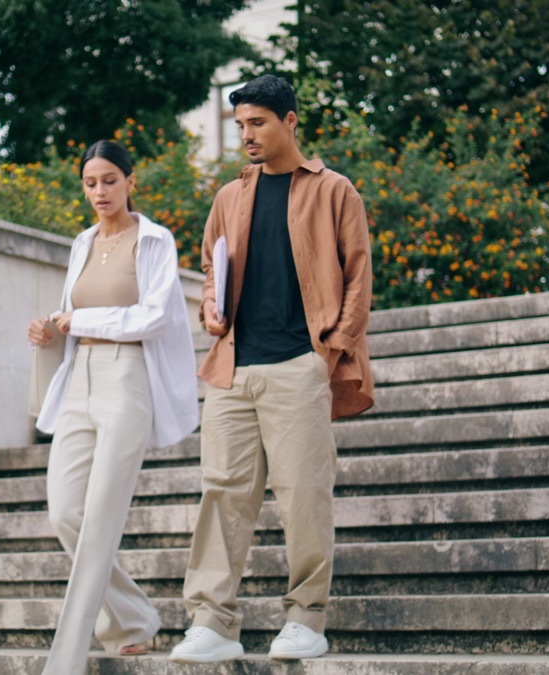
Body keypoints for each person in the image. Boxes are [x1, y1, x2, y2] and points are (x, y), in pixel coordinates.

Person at [171, 74, 375, 664]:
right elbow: (212, 268)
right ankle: (213, 622)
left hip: (299, 362)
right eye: (239, 126)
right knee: (222, 494)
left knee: (303, 494)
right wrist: (211, 305)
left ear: (289, 120)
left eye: (257, 122)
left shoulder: (335, 191)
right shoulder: (230, 196)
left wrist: (330, 350)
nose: (247, 136)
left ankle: (306, 618)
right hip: (234, 367)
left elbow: (358, 276)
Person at [28, 139, 200, 675]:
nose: (99, 191)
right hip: (78, 378)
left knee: (101, 518)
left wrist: (80, 321)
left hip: (128, 380)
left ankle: (67, 659)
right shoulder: (81, 242)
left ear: (130, 180)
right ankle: (132, 618)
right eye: (90, 183)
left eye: (108, 180)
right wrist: (50, 325)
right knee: (66, 511)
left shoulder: (154, 240)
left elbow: (154, 317)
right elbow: (73, 312)